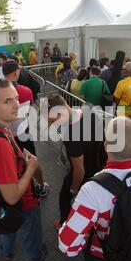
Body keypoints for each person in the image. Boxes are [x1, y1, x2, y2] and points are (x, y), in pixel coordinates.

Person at [58, 117, 131, 261]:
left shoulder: (93, 189)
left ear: (106, 146)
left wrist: (84, 240)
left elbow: (67, 245)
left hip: (102, 254)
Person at [0, 79, 47, 261]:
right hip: (22, 204)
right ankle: (36, 257)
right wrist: (31, 168)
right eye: (8, 101)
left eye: (16, 98)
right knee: (31, 235)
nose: (17, 104)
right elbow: (13, 197)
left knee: (7, 226)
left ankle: (6, 251)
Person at [45, 94, 104, 229]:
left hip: (87, 173)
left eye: (50, 120)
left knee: (64, 197)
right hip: (101, 165)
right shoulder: (89, 107)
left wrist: (73, 189)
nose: (50, 124)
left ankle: (64, 224)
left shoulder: (70, 134)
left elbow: (79, 170)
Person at [2, 60, 49, 198]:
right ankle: (41, 186)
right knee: (32, 161)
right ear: (16, 73)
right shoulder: (25, 91)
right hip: (23, 133)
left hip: (6, 136)